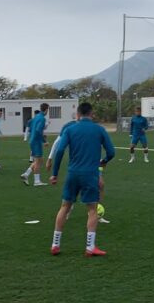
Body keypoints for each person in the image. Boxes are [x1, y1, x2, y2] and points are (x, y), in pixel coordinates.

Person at [49, 102, 115, 257]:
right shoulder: (99, 129)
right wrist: (103, 161)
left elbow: (60, 150)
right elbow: (111, 152)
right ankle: (90, 247)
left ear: (78, 115)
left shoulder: (70, 129)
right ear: (92, 114)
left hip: (73, 173)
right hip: (90, 174)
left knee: (65, 207)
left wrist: (55, 173)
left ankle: (55, 244)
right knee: (92, 210)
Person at [22, 104, 49, 186]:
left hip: (32, 140)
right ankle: (36, 181)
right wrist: (44, 141)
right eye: (48, 110)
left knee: (40, 160)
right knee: (38, 161)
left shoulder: (36, 117)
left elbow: (31, 128)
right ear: (46, 109)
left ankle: (26, 174)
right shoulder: (42, 118)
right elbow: (38, 130)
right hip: (36, 141)